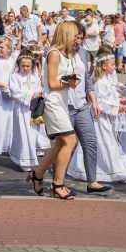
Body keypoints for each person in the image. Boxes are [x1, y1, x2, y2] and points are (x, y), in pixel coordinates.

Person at [25, 21, 81, 200]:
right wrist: (68, 83)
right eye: (76, 37)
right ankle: (58, 183)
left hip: (61, 102)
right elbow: (52, 83)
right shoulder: (54, 53)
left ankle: (38, 175)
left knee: (60, 144)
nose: (78, 41)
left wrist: (71, 82)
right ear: (67, 34)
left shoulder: (68, 54)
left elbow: (63, 82)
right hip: (52, 102)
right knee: (70, 141)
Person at [69, 51, 126, 183]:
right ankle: (113, 173)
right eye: (112, 64)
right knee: (107, 144)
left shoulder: (107, 81)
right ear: (104, 66)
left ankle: (116, 171)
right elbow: (101, 102)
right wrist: (117, 106)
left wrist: (120, 101)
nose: (114, 67)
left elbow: (111, 95)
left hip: (107, 119)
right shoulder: (99, 83)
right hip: (100, 120)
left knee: (111, 143)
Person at [9, 52, 43, 171]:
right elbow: (14, 92)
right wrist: (30, 95)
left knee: (32, 134)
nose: (25, 68)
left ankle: (30, 157)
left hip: (33, 109)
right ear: (18, 64)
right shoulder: (15, 77)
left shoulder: (35, 77)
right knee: (23, 134)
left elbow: (39, 87)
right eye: (23, 65)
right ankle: (23, 160)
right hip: (21, 109)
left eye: (28, 66)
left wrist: (38, 93)